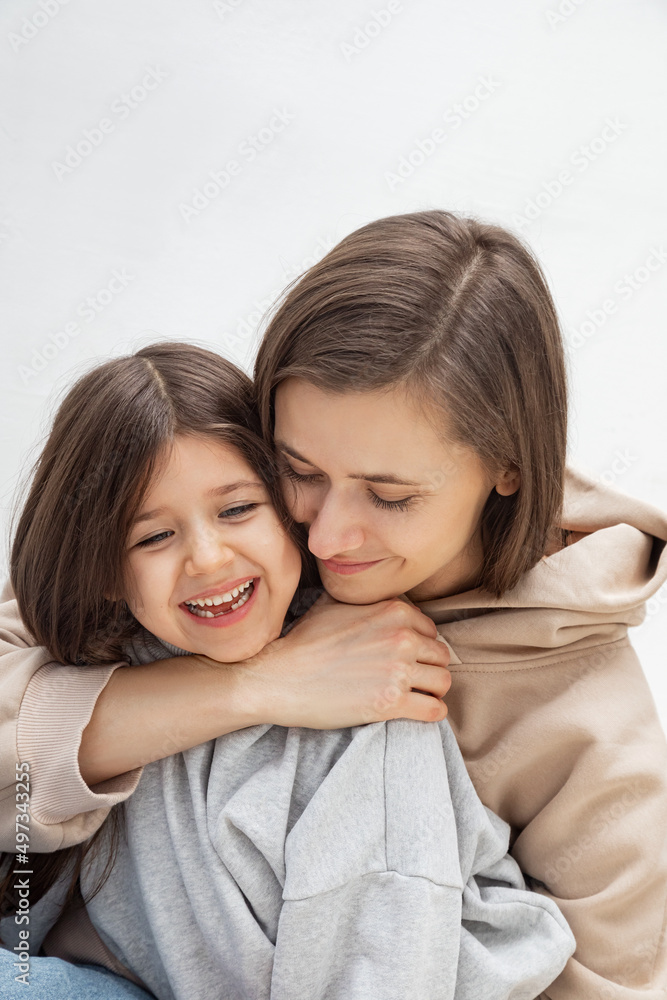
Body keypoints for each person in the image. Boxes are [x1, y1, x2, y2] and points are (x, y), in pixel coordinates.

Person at [2, 209, 667, 998]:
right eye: (299, 470)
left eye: (389, 496)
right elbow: (34, 650)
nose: (324, 537)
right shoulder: (235, 531)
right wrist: (258, 685)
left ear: (509, 467)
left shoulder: (595, 735)